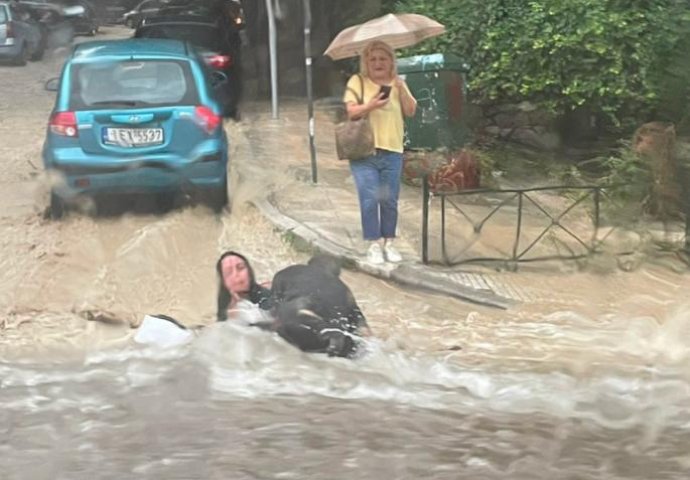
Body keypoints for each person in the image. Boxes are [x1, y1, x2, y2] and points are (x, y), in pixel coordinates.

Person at [343, 40, 417, 265]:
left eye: (383, 58)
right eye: (372, 59)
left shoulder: (397, 83)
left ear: (391, 61)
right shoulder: (357, 81)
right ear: (366, 62)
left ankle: (389, 242)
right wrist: (371, 105)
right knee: (369, 199)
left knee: (389, 200)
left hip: (392, 151)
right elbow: (351, 112)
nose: (378, 63)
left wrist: (401, 87)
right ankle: (373, 243)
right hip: (364, 153)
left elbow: (411, 111)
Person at [270, 254, 370, 358]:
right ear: (337, 275)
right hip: (331, 343)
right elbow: (364, 331)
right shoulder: (345, 290)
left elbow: (272, 309)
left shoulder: (289, 272)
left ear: (309, 264)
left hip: (297, 324)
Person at [215, 250, 273, 323]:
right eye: (229, 272)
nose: (236, 274)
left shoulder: (267, 296)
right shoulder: (225, 306)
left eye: (240, 267)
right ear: (224, 282)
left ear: (249, 271)